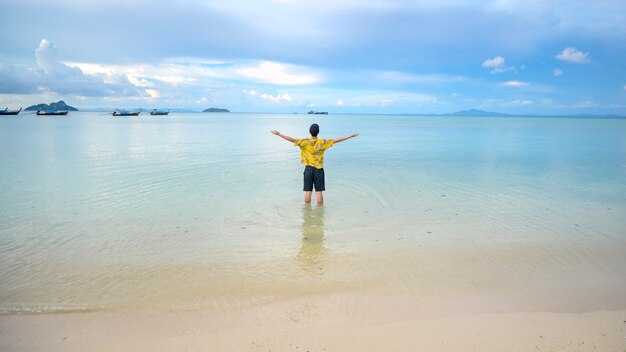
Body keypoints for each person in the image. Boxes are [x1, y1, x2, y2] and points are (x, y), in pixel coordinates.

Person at [271, 123, 358, 204]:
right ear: (318, 132)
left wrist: (279, 134)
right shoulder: (323, 142)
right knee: (319, 191)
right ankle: (320, 212)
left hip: (308, 169)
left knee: (308, 191)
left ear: (309, 131)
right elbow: (336, 140)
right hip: (319, 170)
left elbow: (291, 140)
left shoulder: (304, 142)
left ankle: (307, 211)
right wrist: (349, 136)